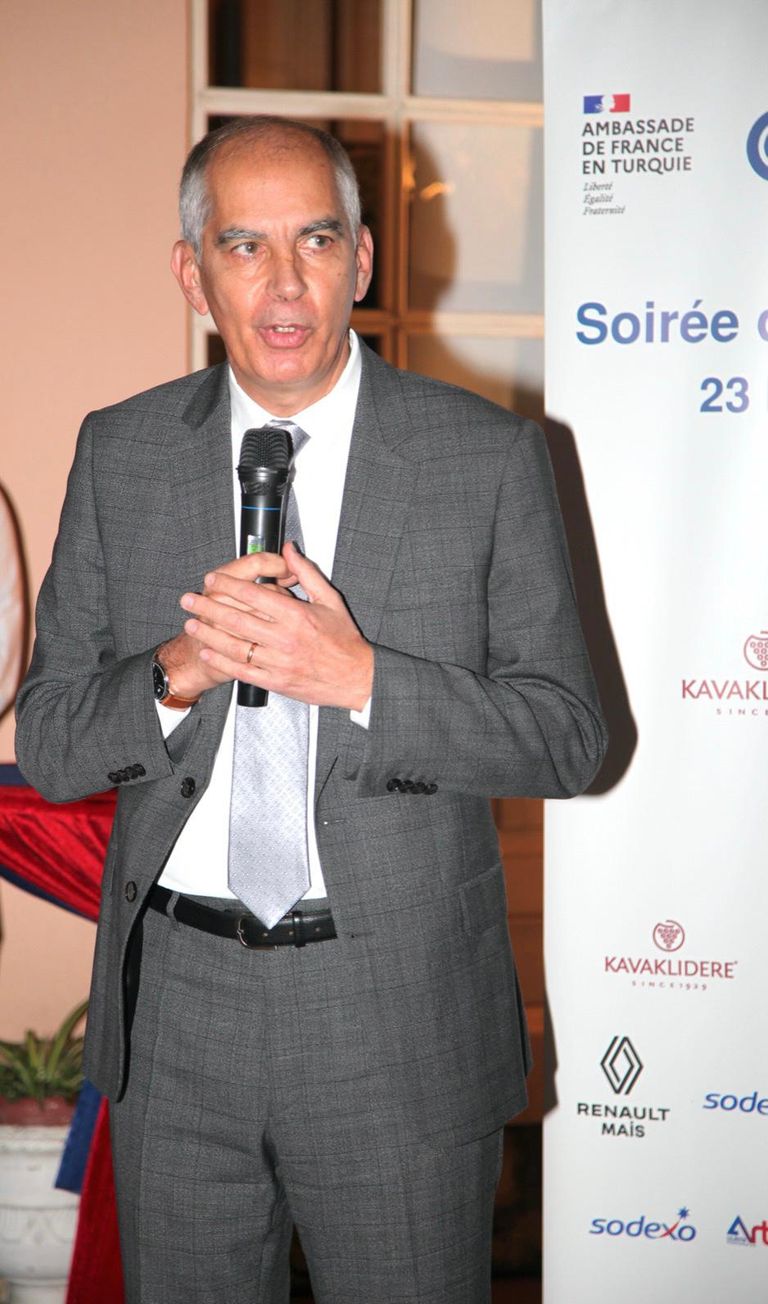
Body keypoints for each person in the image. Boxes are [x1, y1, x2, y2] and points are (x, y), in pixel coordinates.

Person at [16, 116, 606, 1303]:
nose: (283, 282)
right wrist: (175, 668)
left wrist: (365, 678)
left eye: (317, 240)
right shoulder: (120, 452)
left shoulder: (487, 456)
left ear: (364, 259)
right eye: (244, 245)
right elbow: (52, 741)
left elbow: (568, 736)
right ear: (193, 272)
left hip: (396, 1013)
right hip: (177, 1014)